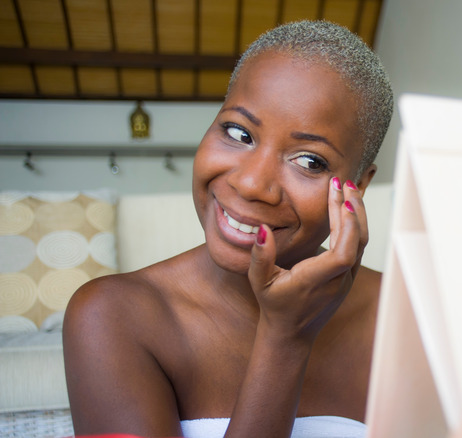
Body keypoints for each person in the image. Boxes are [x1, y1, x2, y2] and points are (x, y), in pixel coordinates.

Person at [63, 20, 393, 438]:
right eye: (239, 132)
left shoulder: (402, 316)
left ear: (358, 186)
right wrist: (285, 340)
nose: (251, 183)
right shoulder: (111, 316)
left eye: (310, 161)